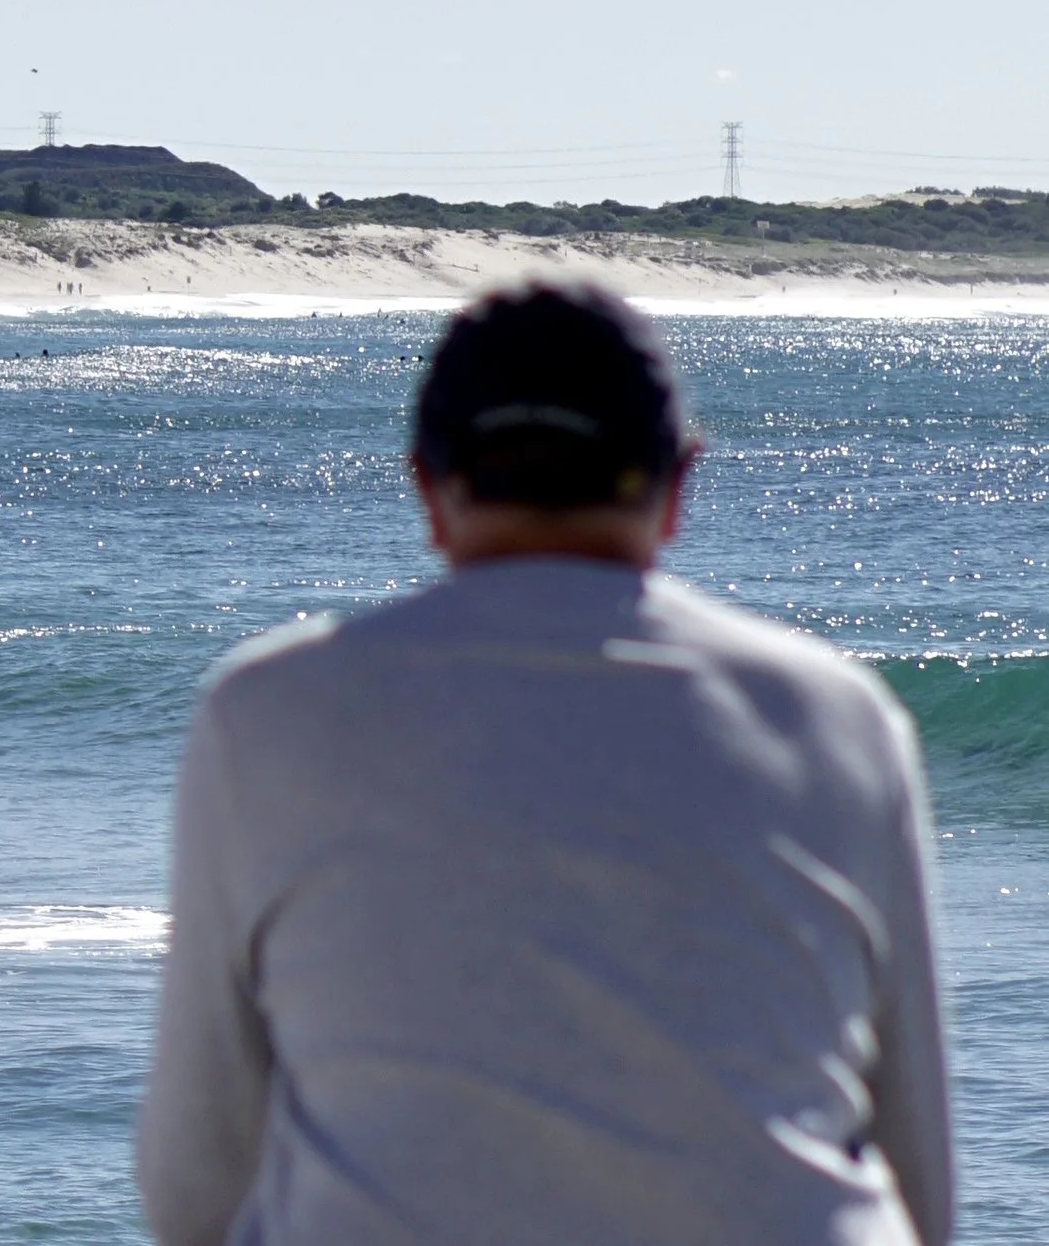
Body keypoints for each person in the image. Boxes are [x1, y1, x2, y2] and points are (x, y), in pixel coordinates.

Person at [137, 279, 953, 1246]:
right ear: (679, 485)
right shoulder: (836, 714)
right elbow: (917, 1175)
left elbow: (196, 1180)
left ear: (429, 488)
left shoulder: (269, 710)